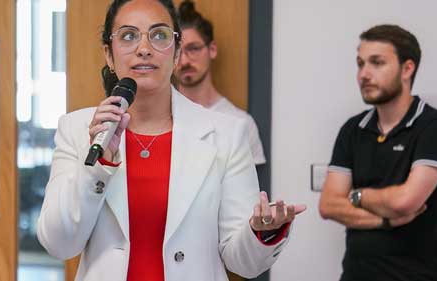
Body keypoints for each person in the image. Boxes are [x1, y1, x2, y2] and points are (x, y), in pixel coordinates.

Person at [36, 1, 305, 280]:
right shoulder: (77, 129)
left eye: (159, 35)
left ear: (176, 53)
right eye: (128, 36)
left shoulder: (227, 134)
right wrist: (96, 164)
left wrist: (262, 232)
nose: (144, 48)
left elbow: (243, 263)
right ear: (109, 53)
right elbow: (59, 244)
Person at [317, 24, 437, 281]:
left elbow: (406, 202)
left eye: (377, 63)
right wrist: (386, 221)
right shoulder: (352, 129)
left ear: (407, 68)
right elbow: (328, 205)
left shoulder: (435, 126)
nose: (363, 75)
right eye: (360, 64)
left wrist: (356, 195)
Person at [172, 0, 266, 165]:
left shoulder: (240, 123)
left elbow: (250, 189)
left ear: (212, 50)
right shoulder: (159, 119)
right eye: (177, 51)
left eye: (193, 48)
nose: (184, 60)